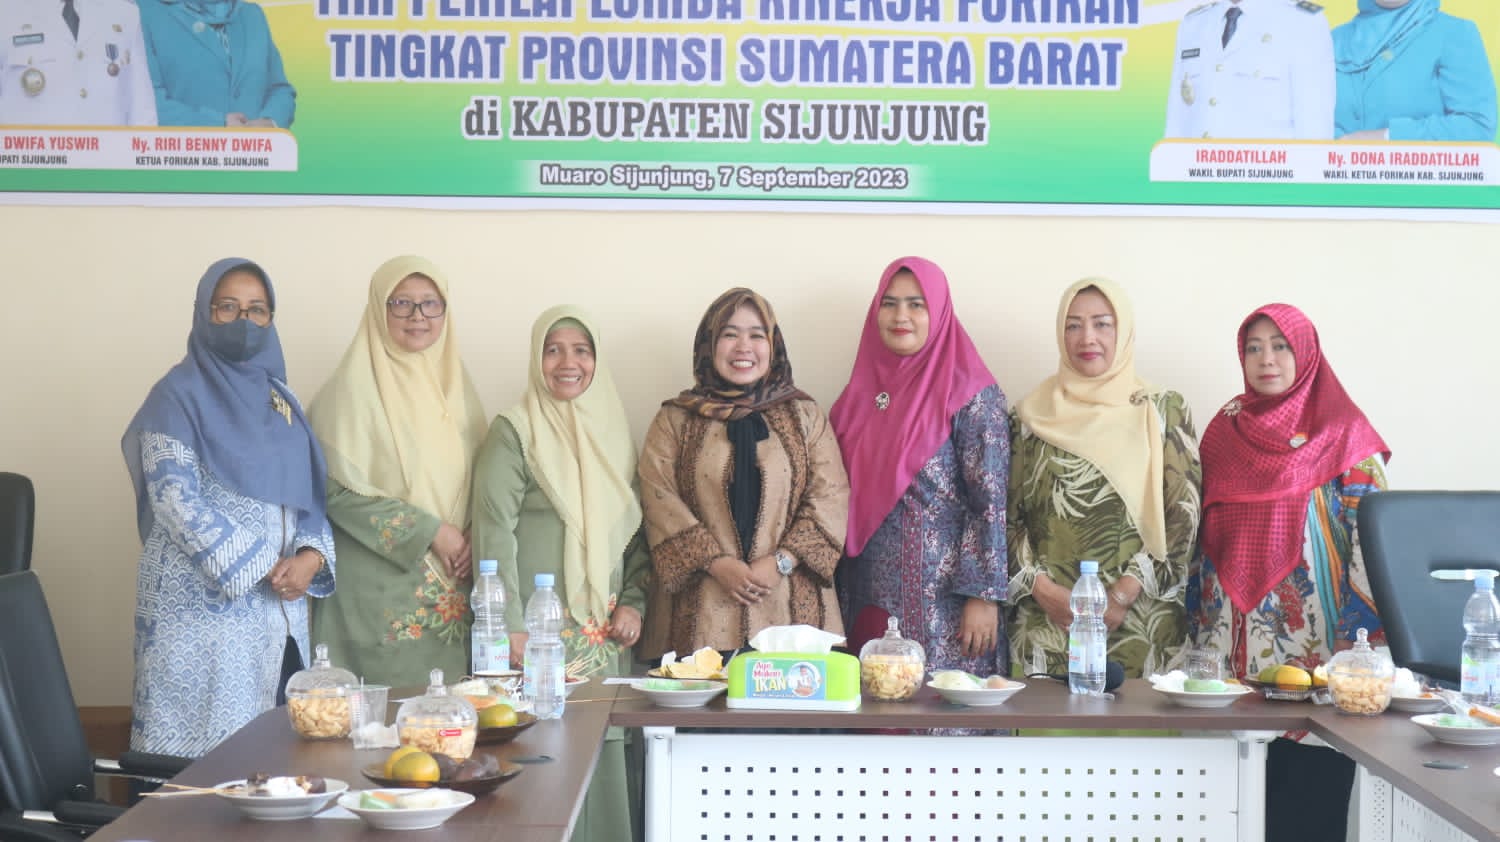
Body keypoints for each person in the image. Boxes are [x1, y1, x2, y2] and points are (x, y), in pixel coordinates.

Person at [1186, 303, 1389, 842]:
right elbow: (1198, 540)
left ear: (1306, 354)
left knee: (1306, 817)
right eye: (1253, 348)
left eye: (1280, 346)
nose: (1266, 359)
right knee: (1225, 819)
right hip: (1228, 661)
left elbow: (1376, 549)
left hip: (1317, 660)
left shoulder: (1344, 436)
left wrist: (1357, 646)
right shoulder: (1223, 431)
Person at [123, 258, 333, 757]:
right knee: (194, 775)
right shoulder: (175, 396)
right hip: (200, 619)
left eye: (257, 310)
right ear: (204, 313)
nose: (244, 321)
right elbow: (173, 499)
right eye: (228, 308)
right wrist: (266, 567)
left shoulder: (281, 401)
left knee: (277, 767)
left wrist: (310, 557)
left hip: (280, 615)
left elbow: (309, 496)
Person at [471, 306, 647, 842]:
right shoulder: (514, 431)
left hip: (603, 635)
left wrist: (634, 600)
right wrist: (508, 626)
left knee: (600, 749)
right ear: (536, 359)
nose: (568, 362)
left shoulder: (614, 433)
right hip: (534, 636)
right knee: (539, 754)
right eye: (553, 350)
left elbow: (637, 534)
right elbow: (494, 529)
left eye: (581, 350)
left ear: (596, 360)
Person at [638, 288, 849, 659]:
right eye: (729, 334)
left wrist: (782, 561)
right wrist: (716, 563)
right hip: (700, 612)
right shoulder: (675, 419)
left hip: (791, 610)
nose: (743, 347)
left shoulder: (805, 415)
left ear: (772, 344)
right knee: (701, 694)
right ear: (709, 344)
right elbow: (659, 498)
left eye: (756, 335)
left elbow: (831, 496)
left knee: (792, 696)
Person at [1008, 278, 1201, 679]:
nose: (1087, 338)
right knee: (1046, 722)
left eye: (1102, 324)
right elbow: (1006, 519)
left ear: (1124, 331)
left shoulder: (1162, 410)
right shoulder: (1027, 418)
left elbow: (1183, 515)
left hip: (1143, 623)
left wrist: (1122, 595)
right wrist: (1045, 592)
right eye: (1073, 325)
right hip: (1049, 625)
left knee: (1138, 722)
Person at [308, 256, 488, 687]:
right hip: (377, 596)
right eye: (401, 303)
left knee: (451, 717)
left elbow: (483, 479)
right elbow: (333, 491)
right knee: (379, 718)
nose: (417, 316)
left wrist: (471, 533)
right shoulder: (348, 391)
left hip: (455, 582)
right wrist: (431, 531)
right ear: (378, 308)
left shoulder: (458, 389)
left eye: (431, 303)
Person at [831, 257, 1009, 679]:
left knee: (942, 710)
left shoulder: (972, 395)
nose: (901, 316)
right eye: (889, 304)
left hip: (945, 608)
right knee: (874, 705)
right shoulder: (857, 397)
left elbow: (990, 502)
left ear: (939, 312)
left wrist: (984, 595)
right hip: (865, 595)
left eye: (916, 304)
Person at [1164, 0, 1334, 140]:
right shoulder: (1193, 24)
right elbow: (1176, 124)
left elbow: (1314, 134)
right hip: (1195, 170)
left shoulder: (1304, 23)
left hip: (1267, 171)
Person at [1333, 0, 1497, 141]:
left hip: (1421, 169)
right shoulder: (1332, 40)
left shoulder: (1454, 33)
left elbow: (1477, 126)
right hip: (1334, 168)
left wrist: (1387, 137)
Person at [135, 0, 295, 128]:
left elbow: (280, 90)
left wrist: (270, 121)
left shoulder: (252, 15)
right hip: (184, 156)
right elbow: (145, 104)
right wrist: (218, 124)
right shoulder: (142, 12)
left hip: (255, 156)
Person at [0, 0, 157, 126]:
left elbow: (142, 109)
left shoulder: (124, 11)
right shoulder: (6, 11)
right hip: (32, 155)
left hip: (108, 154)